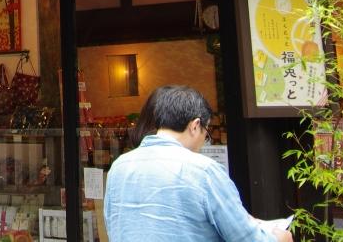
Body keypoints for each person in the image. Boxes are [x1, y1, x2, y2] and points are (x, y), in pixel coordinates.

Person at [104, 86, 294, 242]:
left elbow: (112, 226)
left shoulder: (119, 166)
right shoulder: (203, 170)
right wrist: (280, 238)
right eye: (206, 133)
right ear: (195, 126)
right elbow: (246, 238)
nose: (205, 140)